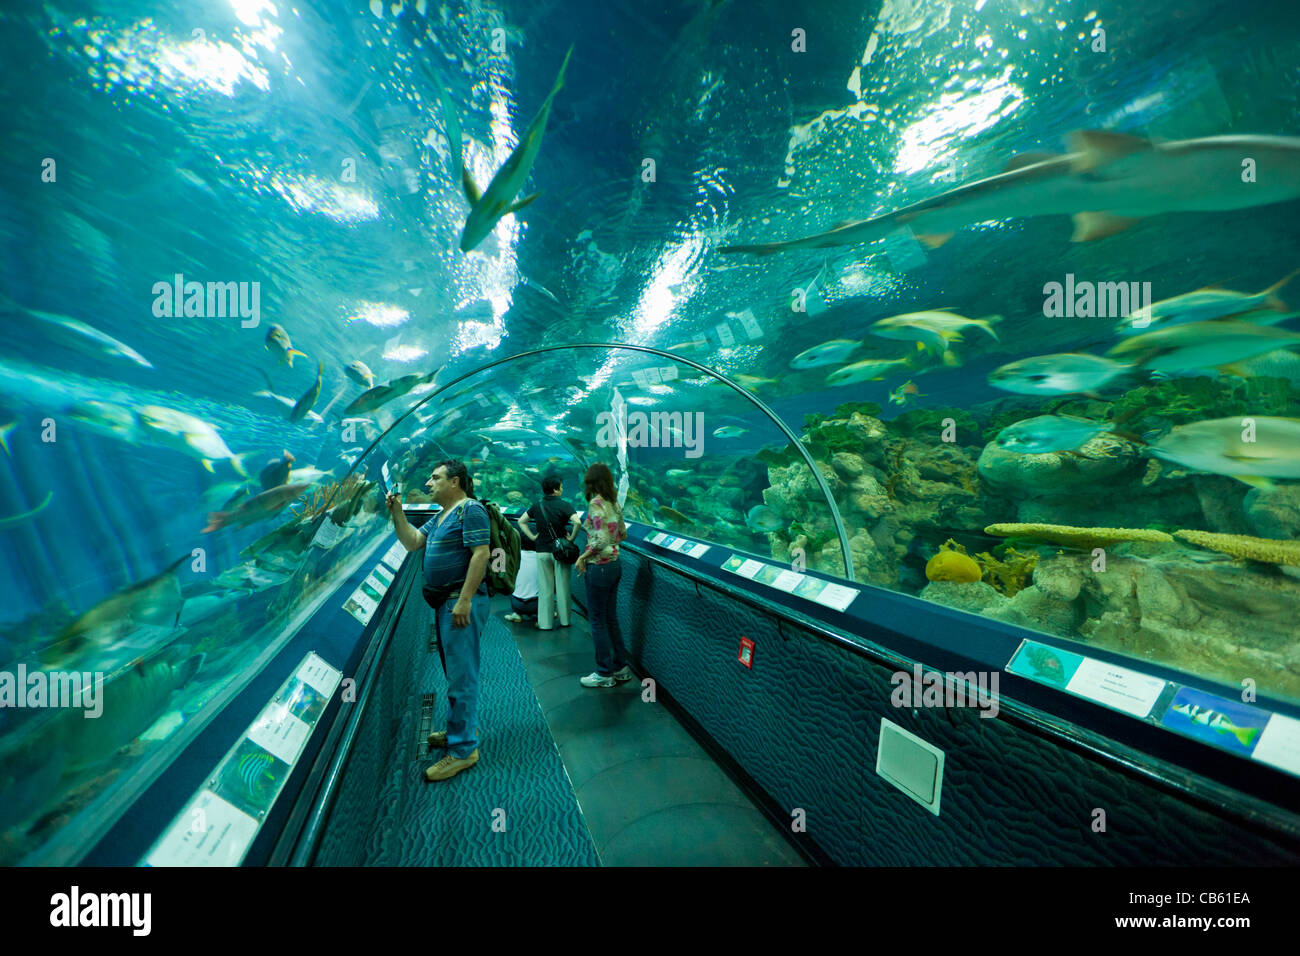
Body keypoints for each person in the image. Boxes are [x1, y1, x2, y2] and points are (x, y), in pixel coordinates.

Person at [386, 459, 490, 782]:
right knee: (454, 672)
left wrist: (464, 599)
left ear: (455, 482)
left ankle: (463, 751)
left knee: (463, 676)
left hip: (459, 603)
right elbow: (413, 542)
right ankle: (460, 729)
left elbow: (481, 554)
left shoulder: (469, 510)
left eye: (435, 478)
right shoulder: (441, 515)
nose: (428, 483)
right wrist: (397, 513)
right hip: (444, 604)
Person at [574, 463, 631, 688]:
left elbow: (600, 539)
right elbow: (622, 534)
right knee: (611, 618)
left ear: (590, 482)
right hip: (615, 565)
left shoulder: (596, 504)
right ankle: (621, 668)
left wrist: (583, 557)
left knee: (597, 621)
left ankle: (604, 673)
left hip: (599, 567)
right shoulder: (614, 503)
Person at [517, 473, 579, 630]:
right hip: (560, 551)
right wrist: (571, 538)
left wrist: (532, 536)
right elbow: (577, 522)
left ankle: (545, 624)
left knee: (545, 588)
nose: (562, 490)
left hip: (542, 551)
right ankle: (565, 621)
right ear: (556, 489)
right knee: (563, 587)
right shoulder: (565, 505)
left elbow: (521, 521)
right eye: (561, 487)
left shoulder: (537, 505)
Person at [504, 549, 540, 624]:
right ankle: (546, 615)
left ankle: (516, 614)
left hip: (517, 604)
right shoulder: (540, 557)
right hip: (537, 605)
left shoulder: (514, 556)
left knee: (509, 582)